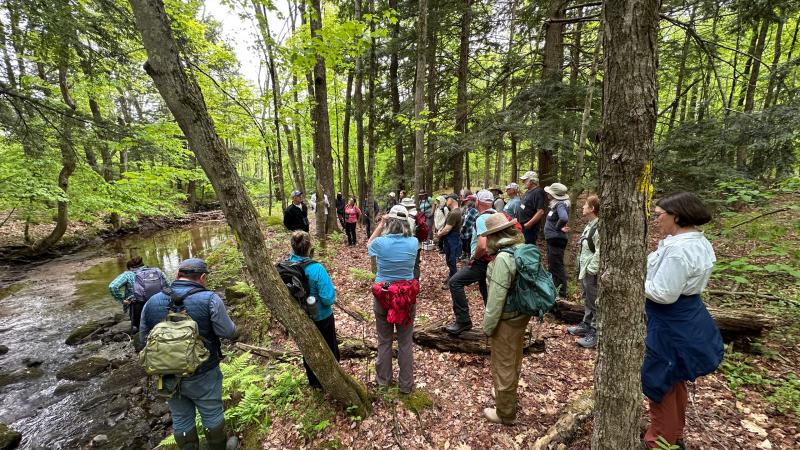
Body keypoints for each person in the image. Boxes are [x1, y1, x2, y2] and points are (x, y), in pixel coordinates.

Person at [642, 192, 723, 449]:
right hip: (685, 316)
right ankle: (673, 434)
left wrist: (631, 279)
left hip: (671, 321)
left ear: (676, 216)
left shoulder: (679, 250)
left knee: (660, 377)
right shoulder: (695, 241)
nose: (656, 220)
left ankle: (659, 440)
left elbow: (664, 294)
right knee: (673, 375)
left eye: (659, 216)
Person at [140, 258, 237, 450]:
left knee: (181, 417)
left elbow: (143, 339)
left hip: (167, 374)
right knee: (211, 412)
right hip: (203, 371)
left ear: (177, 275)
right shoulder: (210, 299)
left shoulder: (152, 301)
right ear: (202, 277)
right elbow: (228, 332)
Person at [479, 213, 530, 425]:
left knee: (504, 364)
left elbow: (496, 299)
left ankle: (505, 413)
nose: (485, 242)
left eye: (488, 236)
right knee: (513, 357)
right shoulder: (519, 248)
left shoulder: (503, 258)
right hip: (521, 314)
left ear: (495, 236)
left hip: (507, 318)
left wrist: (488, 328)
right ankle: (505, 395)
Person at [367, 205, 420, 394]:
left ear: (388, 223)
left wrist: (380, 225)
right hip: (405, 297)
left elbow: (368, 245)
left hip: (384, 295)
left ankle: (383, 383)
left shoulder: (380, 243)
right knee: (405, 342)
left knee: (384, 340)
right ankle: (405, 385)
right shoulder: (414, 242)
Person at [287, 231, 340, 388]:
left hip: (300, 316)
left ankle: (314, 383)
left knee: (309, 351)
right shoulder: (317, 269)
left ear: (292, 247)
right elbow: (328, 298)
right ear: (310, 246)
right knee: (330, 348)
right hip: (322, 317)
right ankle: (333, 380)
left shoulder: (287, 266)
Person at [446, 189, 495, 335]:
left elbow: (482, 245)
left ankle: (463, 321)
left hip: (482, 260)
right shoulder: (497, 215)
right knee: (486, 291)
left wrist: (474, 257)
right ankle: (492, 323)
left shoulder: (481, 218)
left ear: (478, 202)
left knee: (455, 282)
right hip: (493, 260)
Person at [567, 195, 600, 348]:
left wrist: (592, 270)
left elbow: (600, 251)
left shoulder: (599, 227)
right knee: (587, 298)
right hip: (585, 269)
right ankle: (586, 324)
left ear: (592, 209)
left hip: (592, 271)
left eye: (585, 205)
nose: (582, 207)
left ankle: (595, 332)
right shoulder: (590, 225)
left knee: (595, 302)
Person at [108, 256, 168, 334]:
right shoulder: (156, 271)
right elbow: (168, 285)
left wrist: (122, 300)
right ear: (143, 265)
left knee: (141, 328)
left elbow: (113, 286)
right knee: (158, 326)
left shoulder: (128, 274)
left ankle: (144, 343)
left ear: (130, 268)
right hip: (157, 302)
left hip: (137, 305)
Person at [543, 183, 570, 299]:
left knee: (557, 266)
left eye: (549, 192)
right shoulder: (556, 205)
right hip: (553, 239)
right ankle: (555, 291)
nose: (547, 194)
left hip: (556, 239)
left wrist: (557, 228)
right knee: (553, 266)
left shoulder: (560, 205)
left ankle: (561, 294)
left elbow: (564, 218)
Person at [436, 194, 463, 285]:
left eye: (448, 199)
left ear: (452, 200)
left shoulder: (455, 213)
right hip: (450, 239)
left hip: (452, 239)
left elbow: (447, 229)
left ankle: (454, 280)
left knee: (451, 260)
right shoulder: (454, 212)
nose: (446, 200)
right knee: (449, 259)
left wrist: (440, 234)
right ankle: (451, 276)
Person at [517, 171, 546, 244]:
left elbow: (540, 211)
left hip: (530, 228)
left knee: (528, 248)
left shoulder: (538, 192)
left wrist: (529, 223)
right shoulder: (527, 192)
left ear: (532, 181)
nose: (523, 182)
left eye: (525, 180)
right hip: (522, 226)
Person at [400, 197, 422, 280]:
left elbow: (409, 233)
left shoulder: (409, 217)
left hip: (410, 244)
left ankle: (413, 283)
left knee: (411, 264)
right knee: (416, 264)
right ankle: (415, 283)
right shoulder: (417, 213)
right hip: (418, 243)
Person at [460, 195, 478, 260]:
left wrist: (463, 228)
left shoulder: (473, 210)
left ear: (472, 201)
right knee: (464, 243)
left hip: (469, 230)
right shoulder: (468, 209)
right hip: (465, 230)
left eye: (467, 201)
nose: (466, 202)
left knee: (468, 244)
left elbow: (468, 221)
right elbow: (464, 218)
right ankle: (464, 254)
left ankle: (468, 257)